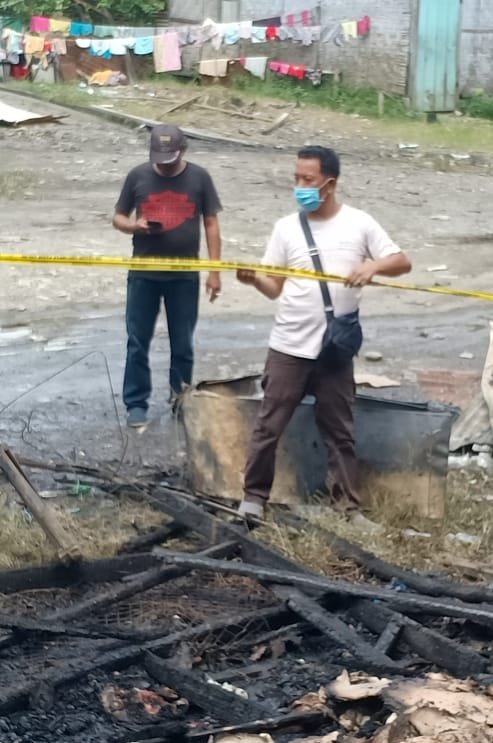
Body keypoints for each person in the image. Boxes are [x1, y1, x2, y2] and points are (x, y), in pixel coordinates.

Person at [236, 145, 411, 526]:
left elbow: (402, 262)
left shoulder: (359, 223)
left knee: (340, 431)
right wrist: (254, 279)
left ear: (329, 184)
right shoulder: (286, 228)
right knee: (269, 426)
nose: (300, 186)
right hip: (289, 345)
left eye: (308, 180)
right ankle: (253, 499)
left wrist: (372, 266)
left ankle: (347, 507)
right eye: (296, 179)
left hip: (334, 348)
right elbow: (274, 288)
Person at [113, 124, 223, 428]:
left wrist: (215, 271)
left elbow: (211, 224)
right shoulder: (137, 176)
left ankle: (181, 400)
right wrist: (134, 227)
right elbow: (118, 217)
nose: (163, 164)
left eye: (170, 158)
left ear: (183, 150)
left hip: (184, 276)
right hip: (144, 273)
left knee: (183, 343)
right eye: (159, 158)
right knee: (137, 341)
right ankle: (136, 404)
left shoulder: (200, 178)